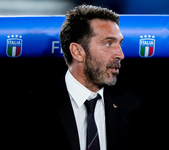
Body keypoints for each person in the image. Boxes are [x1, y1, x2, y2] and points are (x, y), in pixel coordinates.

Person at [24, 4, 142, 150]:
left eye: (120, 44)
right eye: (109, 43)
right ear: (77, 52)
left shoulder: (132, 106)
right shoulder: (32, 107)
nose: (121, 55)